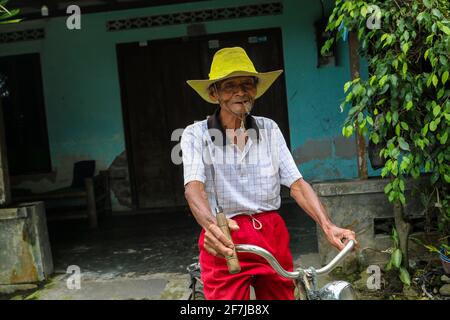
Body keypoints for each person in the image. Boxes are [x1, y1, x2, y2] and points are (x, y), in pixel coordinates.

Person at [181, 47, 357, 300]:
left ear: (255, 89)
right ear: (214, 93)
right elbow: (193, 188)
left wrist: (327, 226)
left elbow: (296, 184)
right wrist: (211, 227)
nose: (240, 92)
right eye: (230, 86)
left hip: (271, 232)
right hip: (225, 235)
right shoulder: (195, 134)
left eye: (246, 84)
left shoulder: (269, 129)